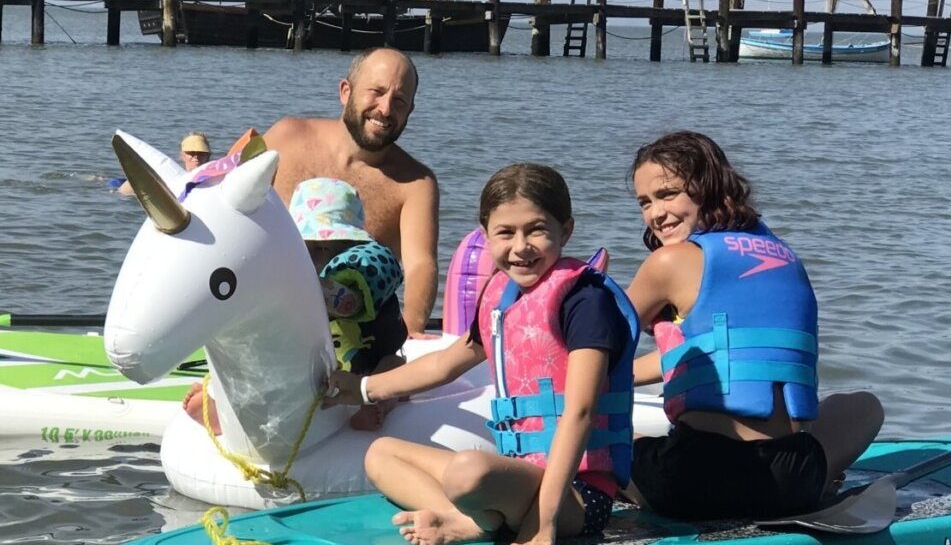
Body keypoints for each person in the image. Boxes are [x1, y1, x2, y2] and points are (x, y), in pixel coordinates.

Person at [321, 163, 640, 545]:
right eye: (505, 232)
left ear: (565, 230)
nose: (520, 247)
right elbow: (445, 363)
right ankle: (464, 520)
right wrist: (362, 388)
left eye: (536, 229)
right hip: (521, 478)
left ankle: (472, 522)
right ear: (485, 235)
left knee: (469, 471)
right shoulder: (501, 298)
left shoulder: (585, 302)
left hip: (579, 495)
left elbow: (581, 412)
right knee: (381, 454)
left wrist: (544, 523)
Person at [624, 130, 884, 521]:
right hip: (791, 480)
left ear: (707, 187)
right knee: (866, 406)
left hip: (691, 480)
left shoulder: (669, 263)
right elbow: (724, 354)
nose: (654, 214)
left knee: (593, 435)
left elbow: (594, 349)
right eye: (645, 202)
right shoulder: (785, 256)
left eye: (667, 194)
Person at [183, 177, 408, 433]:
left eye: (324, 248)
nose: (312, 258)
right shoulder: (294, 268)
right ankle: (224, 409)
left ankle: (376, 405)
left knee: (393, 368)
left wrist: (293, 284)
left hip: (367, 367)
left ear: (351, 246)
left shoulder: (366, 268)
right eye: (305, 248)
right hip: (313, 368)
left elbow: (348, 303)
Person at [263, 47, 438, 337]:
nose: (385, 109)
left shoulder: (416, 184)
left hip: (352, 337)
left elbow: (420, 264)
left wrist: (410, 331)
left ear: (410, 110)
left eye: (399, 101)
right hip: (265, 312)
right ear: (346, 91)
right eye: (376, 92)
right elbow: (229, 205)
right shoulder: (286, 137)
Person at [116, 132, 212, 196]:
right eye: (191, 152)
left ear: (208, 156)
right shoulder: (171, 175)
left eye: (201, 153)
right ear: (182, 156)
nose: (196, 156)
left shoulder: (214, 180)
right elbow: (122, 193)